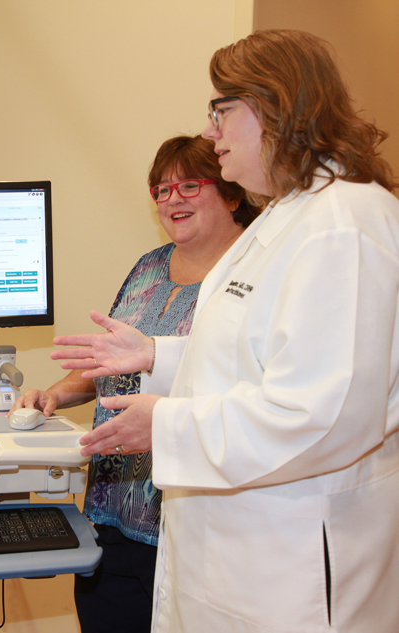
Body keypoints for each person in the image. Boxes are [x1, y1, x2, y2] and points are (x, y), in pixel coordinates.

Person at [52, 30, 399, 632]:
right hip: (239, 559)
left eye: (221, 111)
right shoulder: (288, 216)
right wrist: (153, 353)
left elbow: (322, 413)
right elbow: (255, 350)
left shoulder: (344, 224)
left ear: (275, 107)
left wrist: (163, 423)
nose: (210, 132)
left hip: (291, 573)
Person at [10, 135, 259, 633]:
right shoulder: (148, 268)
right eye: (161, 190)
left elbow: (247, 388)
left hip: (186, 520)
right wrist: (56, 394)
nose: (172, 200)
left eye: (189, 185)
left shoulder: (249, 275)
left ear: (232, 192)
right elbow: (112, 359)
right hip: (110, 512)